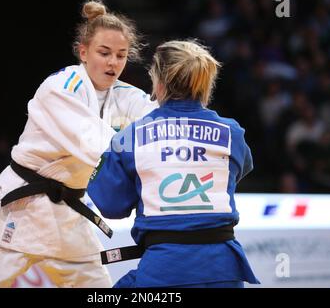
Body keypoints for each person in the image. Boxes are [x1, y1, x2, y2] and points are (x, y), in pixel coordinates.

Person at [0, 0, 157, 288]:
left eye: (121, 55)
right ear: (83, 52)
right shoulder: (61, 88)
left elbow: (159, 123)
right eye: (104, 53)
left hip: (68, 213)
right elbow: (96, 146)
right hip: (20, 207)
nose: (113, 62)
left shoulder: (126, 96)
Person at [87, 40, 260, 288]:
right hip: (224, 271)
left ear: (158, 83)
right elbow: (237, 172)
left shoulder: (130, 137)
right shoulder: (232, 133)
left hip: (163, 270)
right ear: (205, 84)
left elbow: (112, 206)